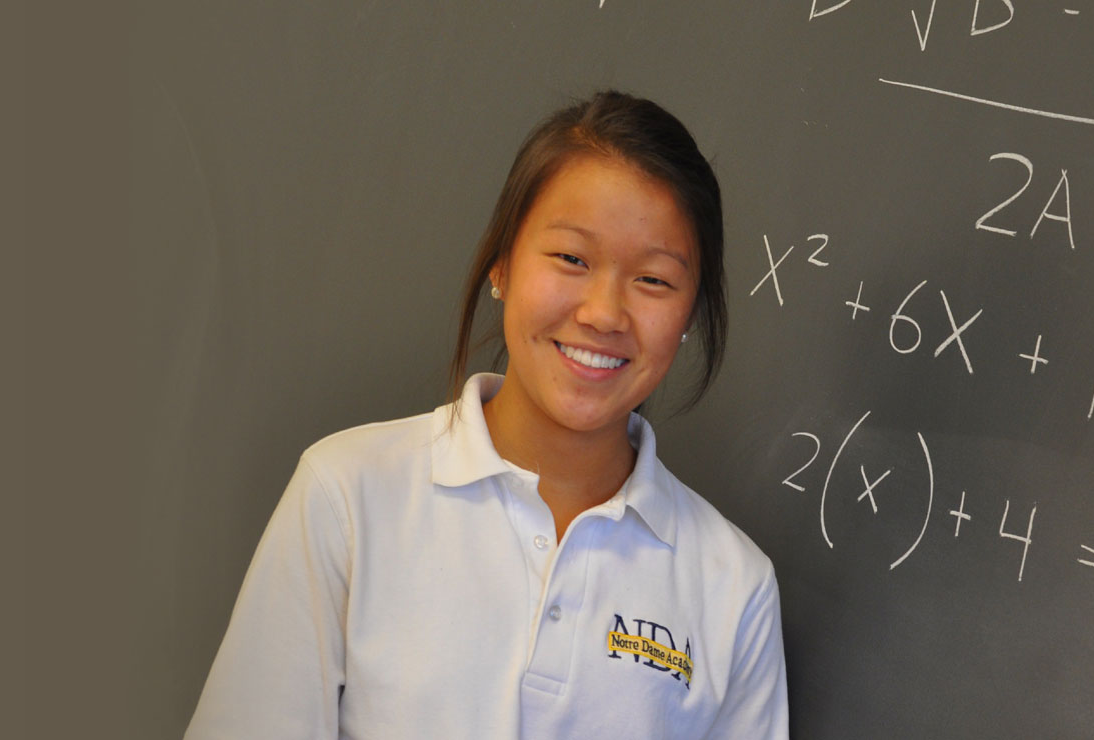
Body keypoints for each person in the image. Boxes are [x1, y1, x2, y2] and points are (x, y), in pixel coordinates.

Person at [183, 91, 788, 739]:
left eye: (654, 280)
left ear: (690, 313)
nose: (604, 313)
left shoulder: (732, 587)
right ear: (501, 263)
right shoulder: (350, 495)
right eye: (571, 259)